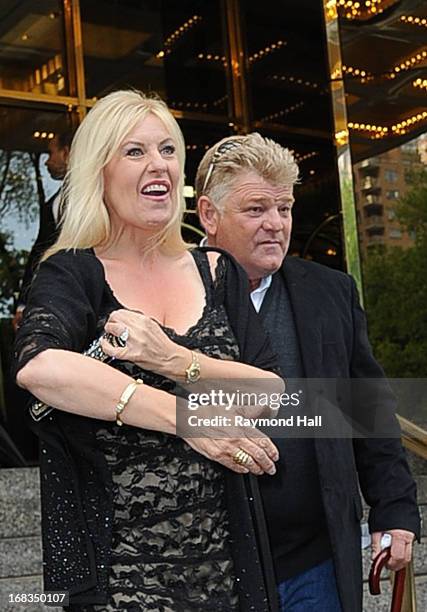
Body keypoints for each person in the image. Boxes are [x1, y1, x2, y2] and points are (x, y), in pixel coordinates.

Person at [12, 91, 286, 611]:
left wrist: (169, 358)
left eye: (167, 149)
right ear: (100, 171)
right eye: (134, 151)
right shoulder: (71, 273)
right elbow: (39, 368)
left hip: (230, 571)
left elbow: (271, 395)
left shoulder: (216, 270)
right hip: (120, 579)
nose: (157, 163)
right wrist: (187, 418)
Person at [195, 132, 421, 612]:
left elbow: (368, 409)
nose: (276, 224)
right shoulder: (167, 295)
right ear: (209, 216)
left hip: (315, 564)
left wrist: (395, 508)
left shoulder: (330, 292)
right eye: (256, 210)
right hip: (208, 568)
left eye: (285, 208)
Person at [13, 129, 74, 330]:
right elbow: (41, 252)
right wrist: (24, 303)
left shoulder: (103, 195)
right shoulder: (54, 203)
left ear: (67, 153)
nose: (47, 161)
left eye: (51, 153)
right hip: (60, 298)